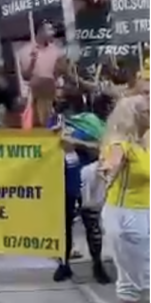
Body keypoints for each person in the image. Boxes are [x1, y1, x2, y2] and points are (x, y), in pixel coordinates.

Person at [47, 91, 109, 284]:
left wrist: (76, 143)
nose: (57, 104)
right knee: (63, 226)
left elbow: (101, 149)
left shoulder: (90, 122)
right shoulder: (53, 123)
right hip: (63, 181)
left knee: (92, 225)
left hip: (87, 181)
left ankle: (98, 265)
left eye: (62, 101)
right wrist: (51, 139)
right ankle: (64, 265)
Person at [98, 96, 150, 303]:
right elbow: (112, 162)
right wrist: (107, 170)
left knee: (142, 279)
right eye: (147, 111)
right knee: (134, 281)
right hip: (126, 216)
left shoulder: (144, 143)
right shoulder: (121, 143)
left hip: (144, 212)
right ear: (134, 116)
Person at [17, 20, 67, 86]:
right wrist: (32, 62)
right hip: (35, 90)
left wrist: (61, 67)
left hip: (53, 89)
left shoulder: (55, 50)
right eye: (50, 29)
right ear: (40, 31)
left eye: (53, 30)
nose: (53, 33)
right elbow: (26, 76)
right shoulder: (25, 51)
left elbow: (58, 74)